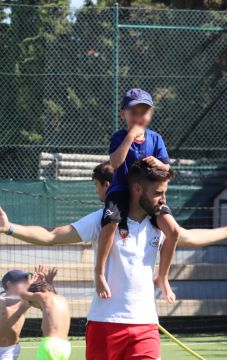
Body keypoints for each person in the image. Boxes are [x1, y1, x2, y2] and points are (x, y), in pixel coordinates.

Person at [0, 160, 227, 360]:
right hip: (104, 326)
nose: (164, 200)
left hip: (145, 327)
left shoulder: (160, 226)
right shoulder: (104, 220)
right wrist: (10, 228)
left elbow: (190, 236)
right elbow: (52, 235)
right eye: (159, 193)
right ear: (137, 189)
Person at [96, 88, 178, 304]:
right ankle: (99, 273)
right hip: (122, 191)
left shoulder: (156, 138)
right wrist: (130, 137)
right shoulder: (119, 137)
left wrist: (158, 163)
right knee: (111, 224)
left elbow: (168, 169)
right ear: (123, 114)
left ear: (150, 114)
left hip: (149, 199)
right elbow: (115, 163)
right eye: (134, 112)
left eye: (144, 112)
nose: (139, 117)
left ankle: (162, 277)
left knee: (173, 230)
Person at [0, 266, 57, 360]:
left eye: (27, 282)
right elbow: (8, 304)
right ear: (9, 285)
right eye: (23, 282)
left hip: (10, 350)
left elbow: (48, 299)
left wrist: (43, 283)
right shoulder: (0, 300)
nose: (27, 284)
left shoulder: (26, 301)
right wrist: (28, 290)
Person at [18, 276, 71, 360]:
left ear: (39, 292)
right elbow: (51, 292)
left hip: (50, 345)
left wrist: (29, 283)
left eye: (33, 303)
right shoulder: (61, 298)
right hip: (65, 347)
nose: (39, 308)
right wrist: (49, 281)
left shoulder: (42, 296)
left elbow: (21, 293)